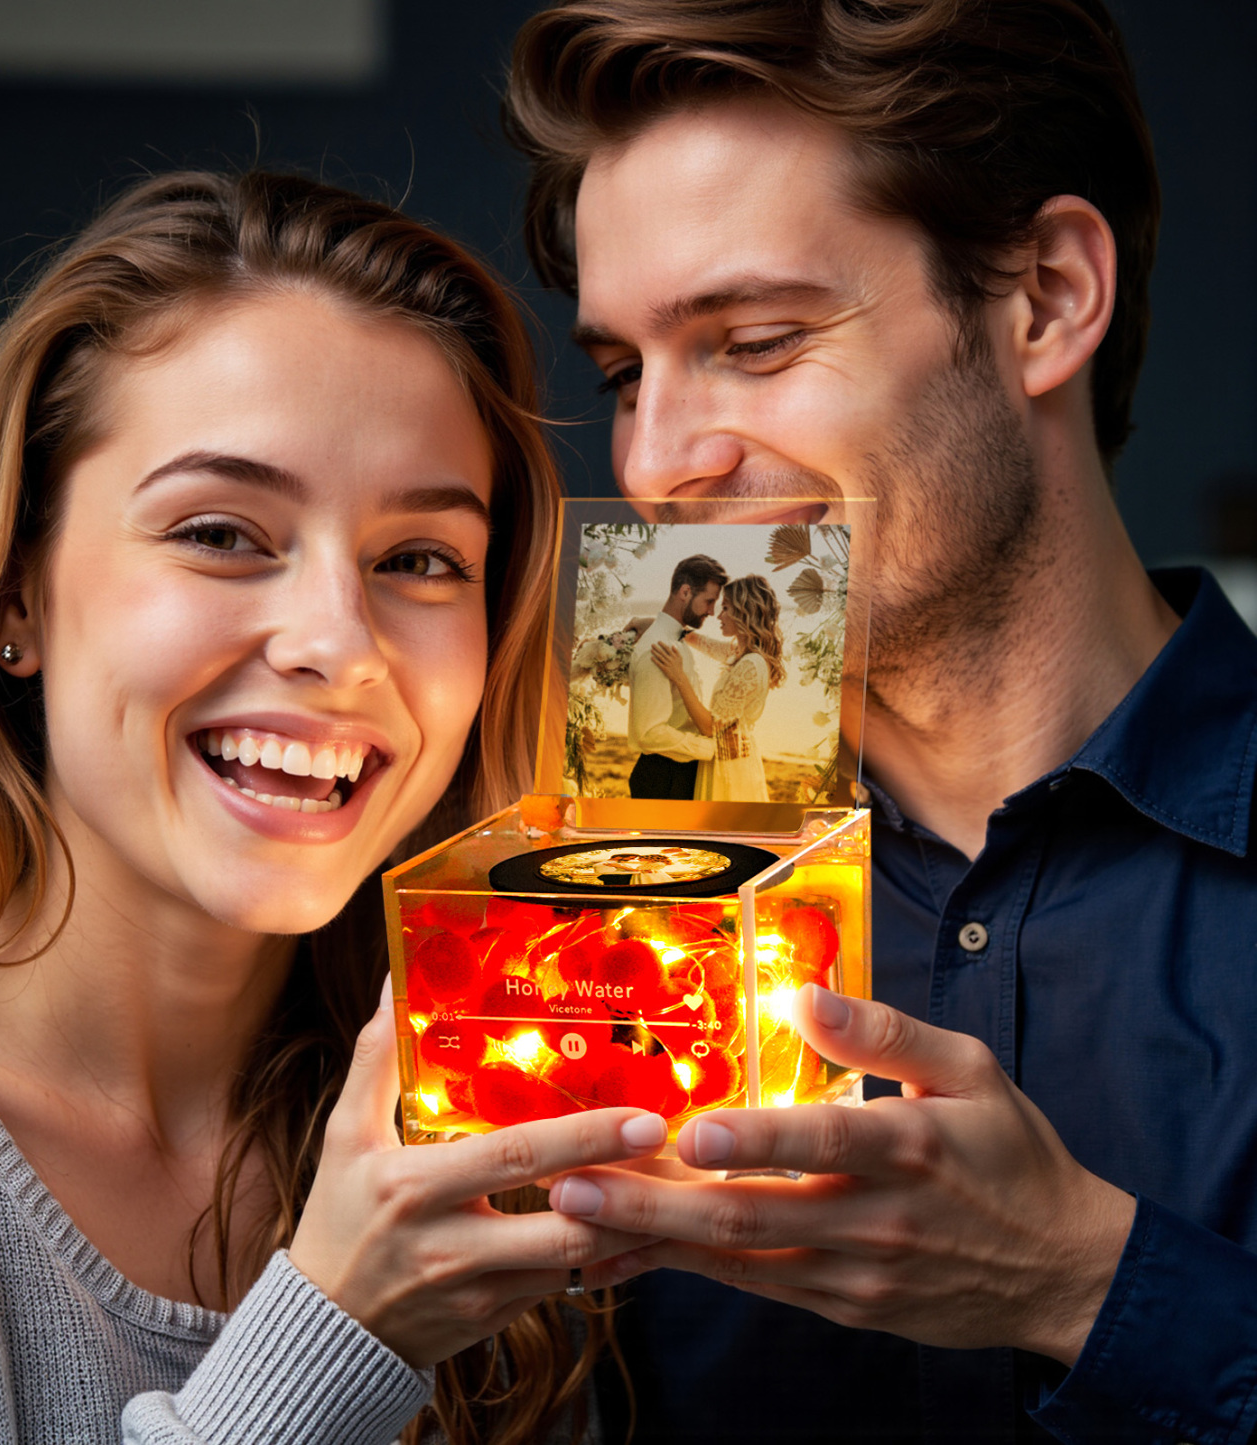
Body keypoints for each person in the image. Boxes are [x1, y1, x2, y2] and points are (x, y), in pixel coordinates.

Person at [0, 170, 673, 1445]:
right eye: (221, 532)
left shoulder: (468, 1119)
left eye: (419, 560)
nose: (341, 640)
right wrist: (339, 1326)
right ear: (13, 594)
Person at [504, 3, 1257, 1441]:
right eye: (622, 373)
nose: (655, 463)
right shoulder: (578, 888)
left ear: (1042, 298)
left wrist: (1090, 1286)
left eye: (756, 340)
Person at [651, 574, 784, 803]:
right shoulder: (743, 655)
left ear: (744, 612)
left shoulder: (751, 665)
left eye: (726, 608)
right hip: (727, 756)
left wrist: (679, 676)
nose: (719, 616)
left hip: (731, 766)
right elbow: (705, 644)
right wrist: (656, 627)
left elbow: (710, 727)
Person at [624, 554, 728, 799]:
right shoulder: (658, 649)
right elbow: (649, 733)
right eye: (709, 601)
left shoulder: (674, 639)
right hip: (664, 778)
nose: (712, 612)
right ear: (685, 592)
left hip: (677, 773)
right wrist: (708, 748)